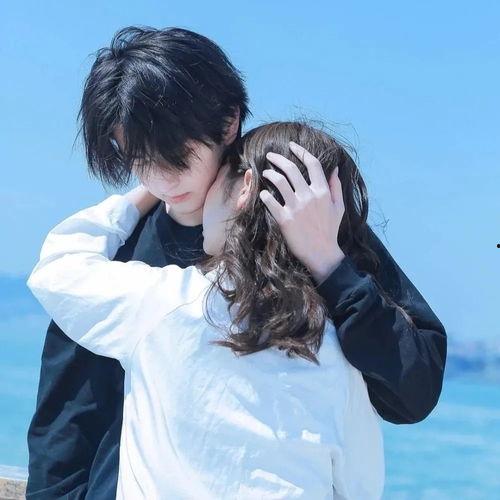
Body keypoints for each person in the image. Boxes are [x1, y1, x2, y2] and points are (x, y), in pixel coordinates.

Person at [26, 27, 447, 499]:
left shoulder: (310, 225)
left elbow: (412, 393)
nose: (162, 181)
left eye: (176, 156)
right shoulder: (120, 250)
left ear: (229, 123)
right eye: (140, 160)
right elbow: (66, 422)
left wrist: (331, 267)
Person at [28, 121, 386, 498]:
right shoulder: (336, 351)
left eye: (218, 179)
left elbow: (58, 267)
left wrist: (145, 194)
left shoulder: (163, 305)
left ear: (245, 187)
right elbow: (360, 487)